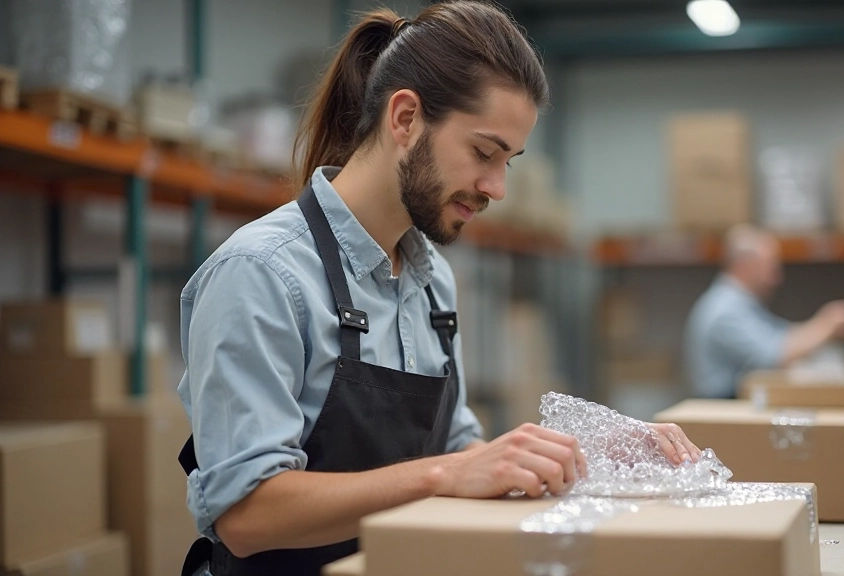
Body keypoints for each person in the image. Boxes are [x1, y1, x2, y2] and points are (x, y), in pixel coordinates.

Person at [175, 3, 701, 575]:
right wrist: (444, 475)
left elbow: (459, 452)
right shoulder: (264, 273)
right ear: (404, 119)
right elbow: (247, 516)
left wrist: (587, 458)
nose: (496, 188)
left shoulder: (431, 280)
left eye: (509, 162)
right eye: (483, 152)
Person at [684, 225, 844, 399]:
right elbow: (774, 357)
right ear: (745, 265)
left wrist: (824, 321)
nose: (777, 277)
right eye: (770, 266)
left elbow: (781, 335)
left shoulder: (741, 304)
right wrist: (826, 325)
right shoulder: (725, 311)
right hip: (721, 407)